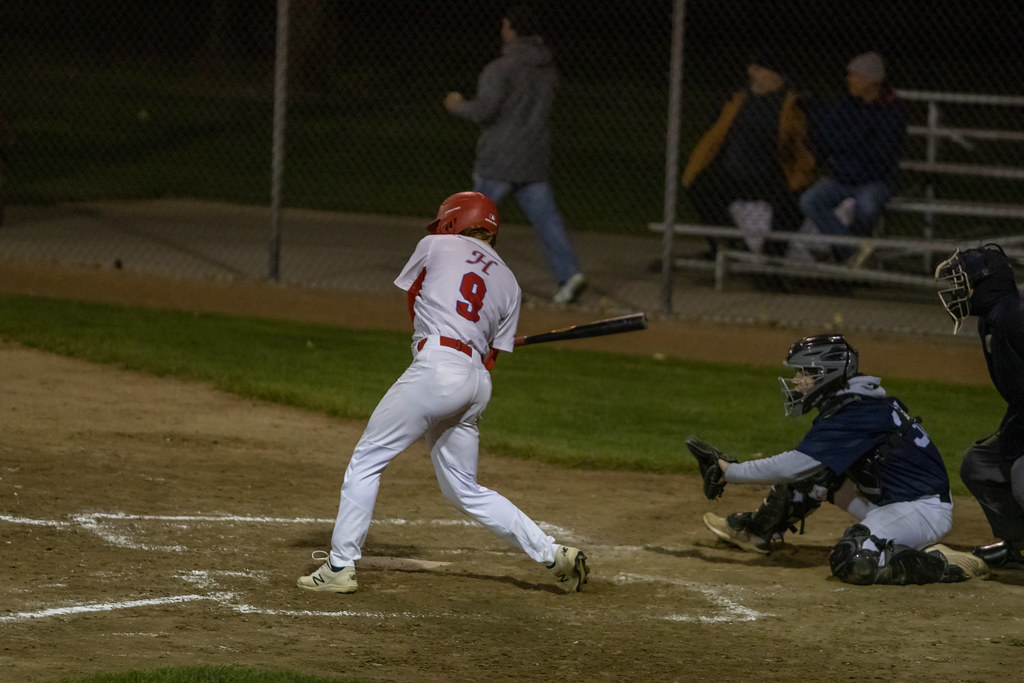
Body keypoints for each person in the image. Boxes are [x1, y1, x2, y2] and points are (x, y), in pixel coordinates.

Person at [297, 191, 589, 595]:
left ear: (454, 220)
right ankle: (552, 553)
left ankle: (339, 567)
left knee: (367, 460)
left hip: (437, 368)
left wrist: (441, 338)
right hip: (475, 383)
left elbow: (414, 298)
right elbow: (490, 360)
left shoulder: (434, 244)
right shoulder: (509, 281)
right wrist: (474, 340)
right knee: (464, 489)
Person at [696, 334, 989, 585]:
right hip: (893, 500)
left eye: (805, 373)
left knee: (853, 560)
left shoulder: (857, 413)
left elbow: (794, 464)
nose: (797, 381)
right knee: (815, 473)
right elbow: (806, 467)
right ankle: (756, 532)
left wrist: (730, 472)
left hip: (921, 509)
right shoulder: (855, 404)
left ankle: (942, 562)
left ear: (828, 374)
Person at [443, 5, 586, 305]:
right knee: (547, 219)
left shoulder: (501, 68)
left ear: (513, 30)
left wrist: (457, 105)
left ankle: (462, 284)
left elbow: (485, 110)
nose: (502, 30)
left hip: (499, 157)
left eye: (505, 25)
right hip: (533, 154)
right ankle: (569, 274)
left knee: (474, 220)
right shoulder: (548, 68)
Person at [935, 244, 1024, 570]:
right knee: (980, 465)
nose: (957, 290)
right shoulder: (996, 318)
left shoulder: (1015, 317)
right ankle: (1020, 548)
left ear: (985, 283)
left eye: (963, 281)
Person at [682, 51, 816, 257]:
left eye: (758, 69)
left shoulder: (793, 101)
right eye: (751, 68)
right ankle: (727, 247)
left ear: (776, 76)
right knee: (699, 187)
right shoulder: (739, 98)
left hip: (773, 174)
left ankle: (772, 256)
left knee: (792, 202)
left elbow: (805, 140)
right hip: (735, 173)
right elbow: (715, 127)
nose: (751, 73)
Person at [798, 51, 908, 262]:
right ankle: (854, 251)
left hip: (875, 179)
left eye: (854, 75)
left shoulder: (892, 109)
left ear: (871, 80)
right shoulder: (847, 104)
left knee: (866, 207)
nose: (848, 80)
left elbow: (881, 152)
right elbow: (825, 135)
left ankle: (845, 255)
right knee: (810, 201)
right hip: (842, 176)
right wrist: (858, 138)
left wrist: (845, 141)